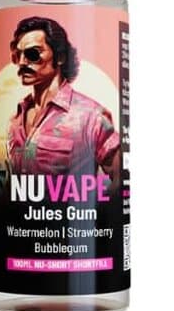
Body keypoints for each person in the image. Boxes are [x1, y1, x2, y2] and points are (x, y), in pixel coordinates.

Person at [7, 16, 120, 191]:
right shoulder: (15, 120)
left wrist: (98, 208)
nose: (22, 62)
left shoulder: (92, 117)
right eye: (17, 55)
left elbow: (122, 178)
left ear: (59, 57)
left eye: (32, 54)